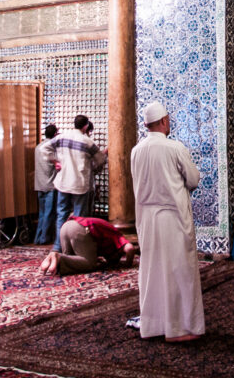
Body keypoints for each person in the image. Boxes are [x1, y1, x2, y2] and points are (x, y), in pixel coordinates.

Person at [131, 101, 204, 342]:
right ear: (163, 121)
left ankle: (153, 326)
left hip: (147, 220)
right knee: (179, 272)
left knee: (153, 272)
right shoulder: (175, 148)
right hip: (173, 219)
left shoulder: (136, 151)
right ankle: (179, 329)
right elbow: (193, 180)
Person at [51, 114, 106, 252]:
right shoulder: (87, 142)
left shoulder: (62, 137)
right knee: (80, 218)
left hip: (63, 183)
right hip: (79, 185)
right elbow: (100, 161)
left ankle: (58, 247)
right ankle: (76, 248)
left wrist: (55, 162)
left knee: (61, 215)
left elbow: (44, 149)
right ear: (86, 126)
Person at [38, 215, 136, 275]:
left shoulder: (106, 242)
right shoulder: (117, 236)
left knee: (72, 261)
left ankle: (53, 258)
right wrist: (128, 263)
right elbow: (130, 248)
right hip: (80, 229)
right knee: (89, 264)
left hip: (67, 226)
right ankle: (58, 257)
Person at [33, 124, 58, 244]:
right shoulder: (52, 149)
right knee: (49, 213)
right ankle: (44, 239)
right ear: (55, 134)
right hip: (50, 185)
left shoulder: (38, 147)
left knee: (42, 213)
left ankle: (37, 238)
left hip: (39, 184)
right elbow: (58, 165)